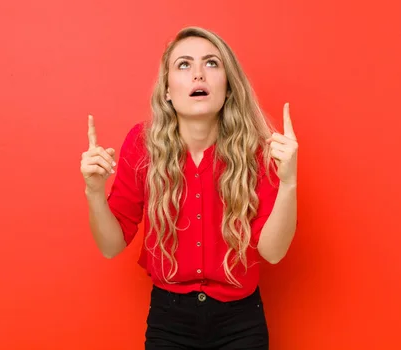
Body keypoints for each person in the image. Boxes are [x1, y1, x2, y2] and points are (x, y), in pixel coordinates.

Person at [81, 26, 298, 349]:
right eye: (183, 64)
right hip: (170, 321)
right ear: (167, 90)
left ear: (227, 88)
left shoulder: (258, 150)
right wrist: (94, 192)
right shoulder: (141, 146)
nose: (198, 74)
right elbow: (111, 246)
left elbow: (274, 252)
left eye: (212, 63)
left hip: (240, 320)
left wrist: (289, 182)